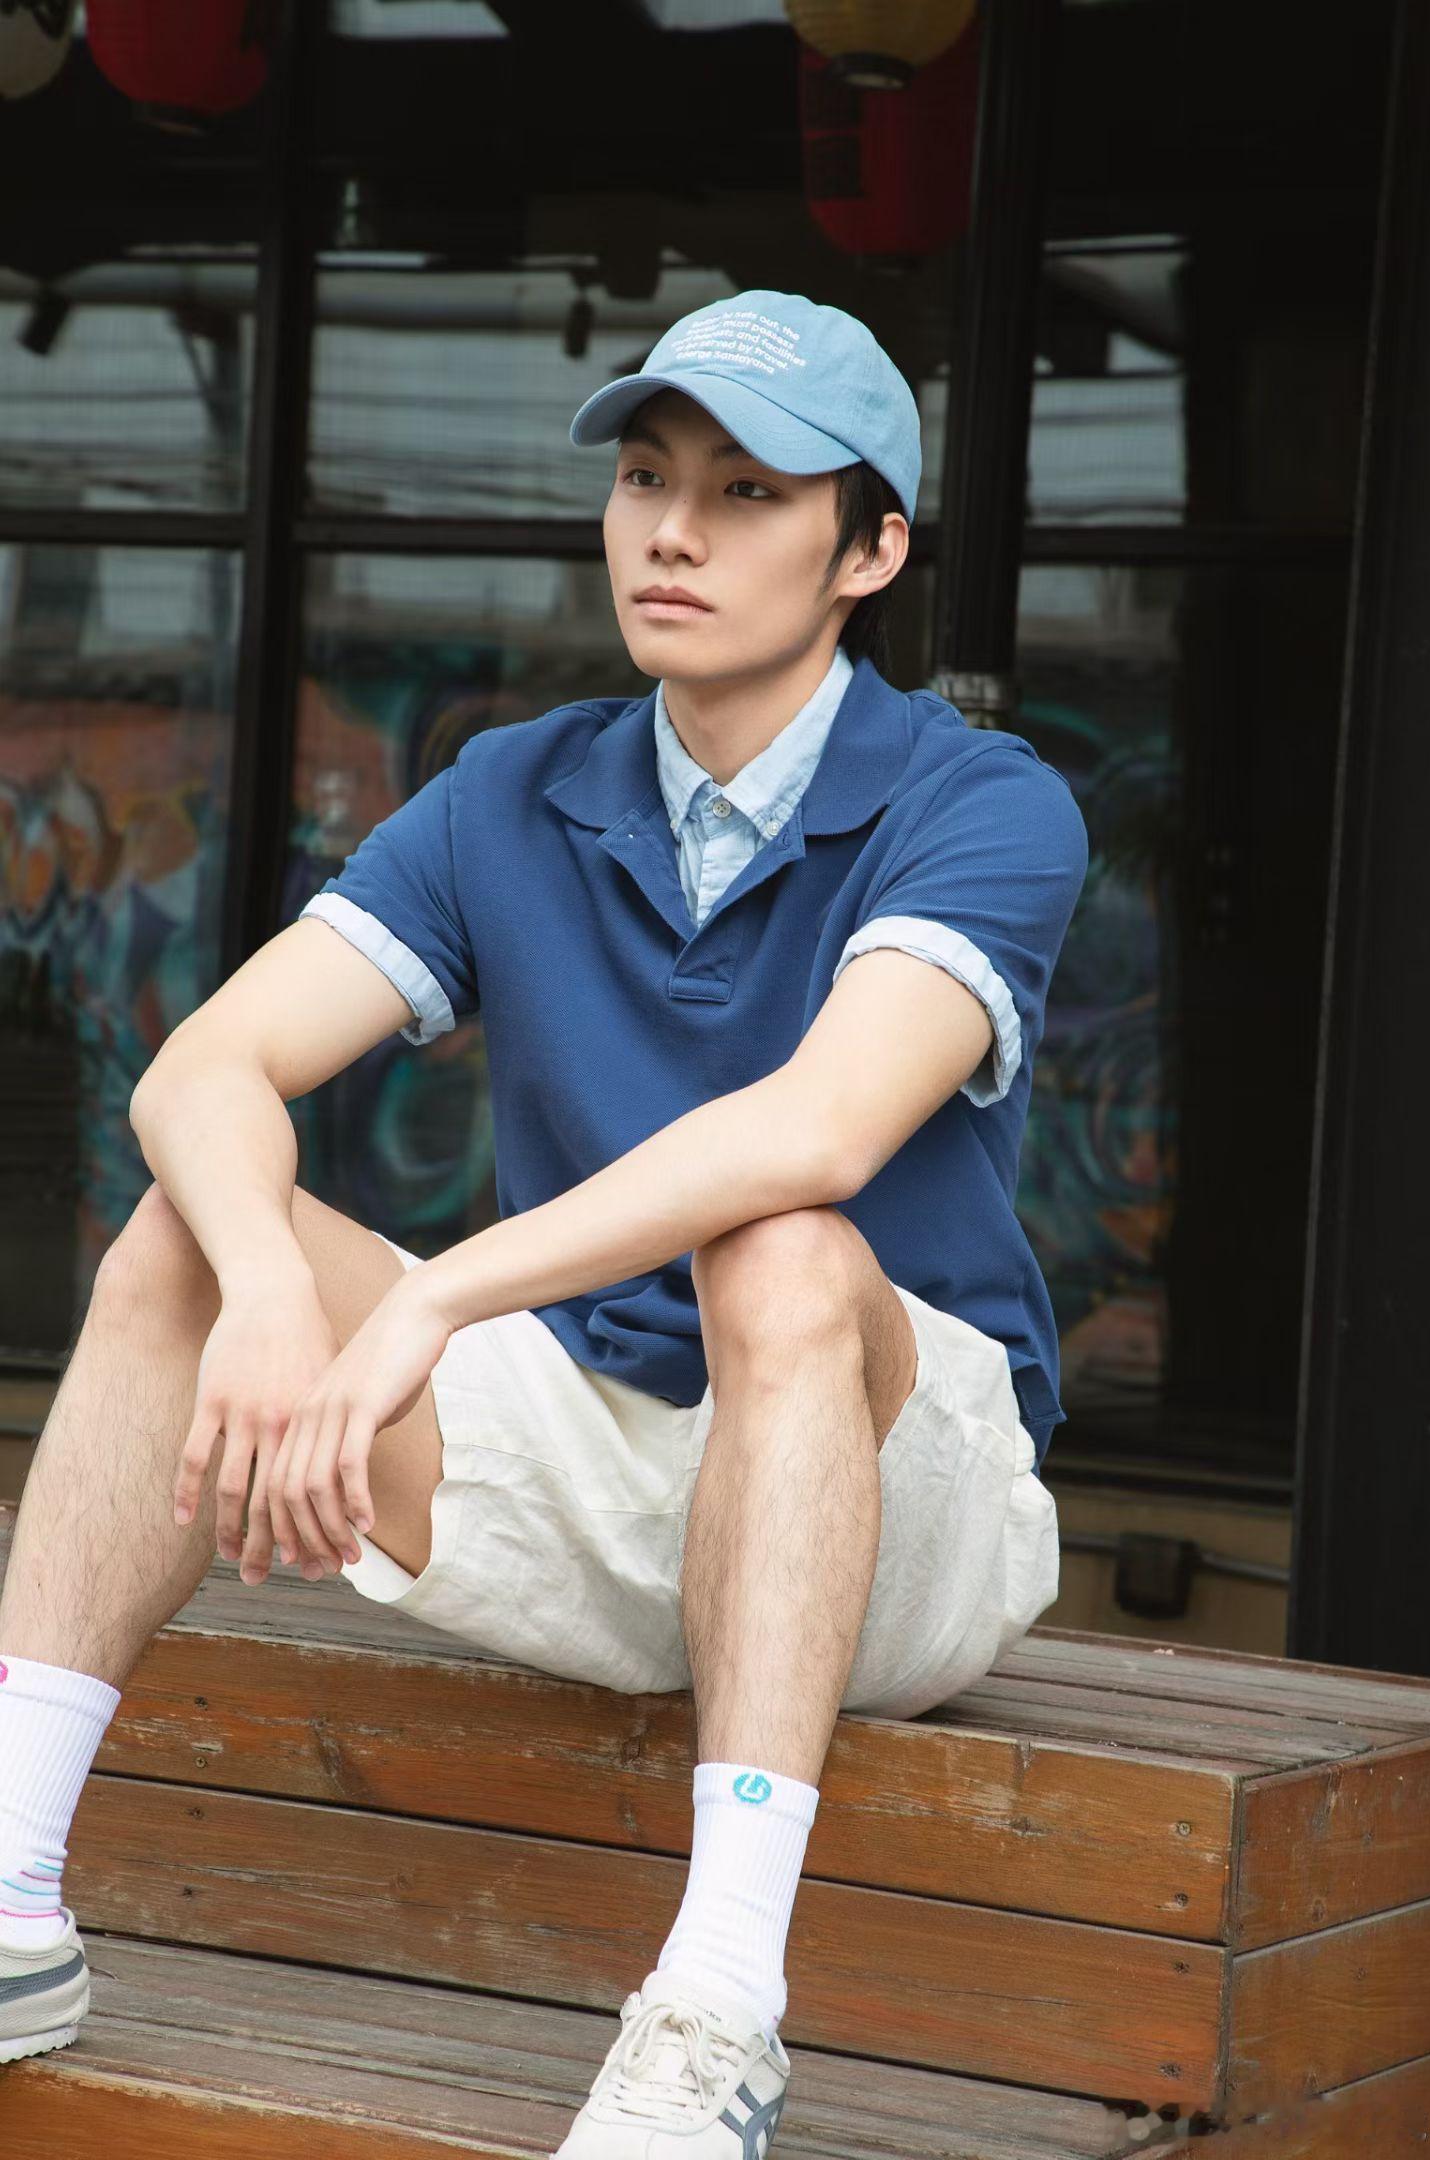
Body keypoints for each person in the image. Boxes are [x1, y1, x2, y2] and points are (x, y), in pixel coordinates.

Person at [0, 288, 1088, 2155]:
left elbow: (816, 1133)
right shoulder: (515, 787)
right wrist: (270, 1288)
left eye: (749, 493)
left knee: (781, 1252)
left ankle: (717, 2013)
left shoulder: (984, 801)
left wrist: (429, 1306)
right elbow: (203, 1066)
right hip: (592, 1445)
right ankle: (12, 1898)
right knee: (183, 1236)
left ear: (871, 552)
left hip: (896, 1484)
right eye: (648, 480)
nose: (674, 533)